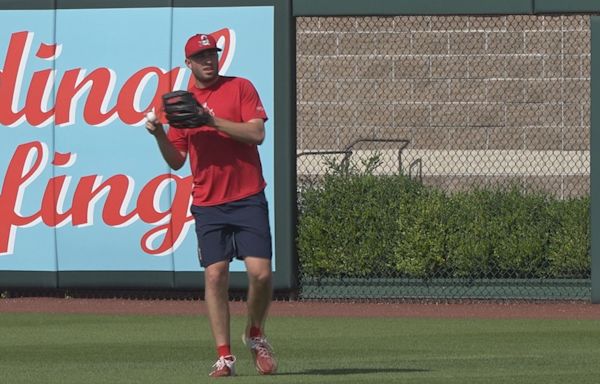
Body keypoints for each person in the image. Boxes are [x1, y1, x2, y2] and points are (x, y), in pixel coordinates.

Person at [145, 33, 277, 377]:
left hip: (248, 196)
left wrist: (210, 120)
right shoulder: (178, 104)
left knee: (261, 275)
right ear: (188, 63)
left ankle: (255, 332)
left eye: (212, 53)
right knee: (216, 274)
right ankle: (225, 356)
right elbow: (177, 161)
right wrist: (159, 133)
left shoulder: (240, 88)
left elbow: (257, 134)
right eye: (200, 56)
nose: (208, 60)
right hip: (208, 202)